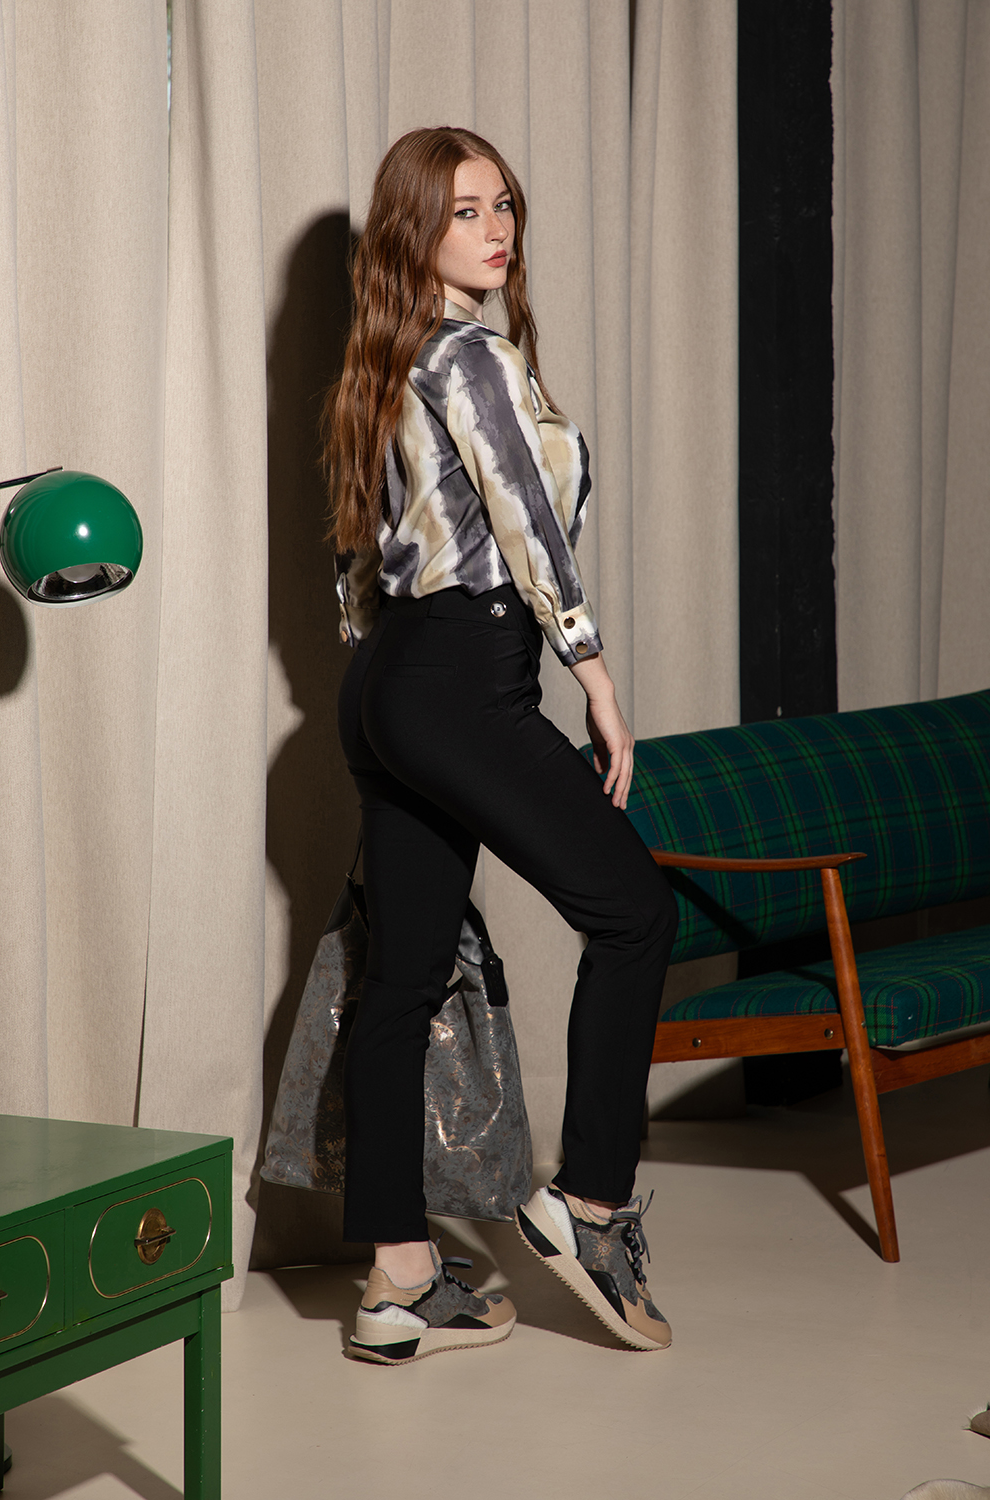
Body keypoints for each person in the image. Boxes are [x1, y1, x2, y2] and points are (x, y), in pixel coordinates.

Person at [326, 126, 678, 1365]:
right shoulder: (470, 354)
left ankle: (398, 1283)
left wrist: (387, 685)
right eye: (464, 210)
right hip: (462, 677)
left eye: (503, 205)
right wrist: (594, 675)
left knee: (404, 977)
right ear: (414, 231)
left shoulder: (382, 357)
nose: (495, 229)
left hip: (387, 681)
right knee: (635, 913)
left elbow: (357, 554)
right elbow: (527, 517)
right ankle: (590, 1206)